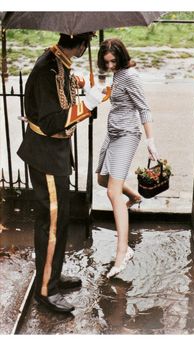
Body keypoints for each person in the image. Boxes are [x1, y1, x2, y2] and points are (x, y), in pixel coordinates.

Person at [17, 32, 104, 313]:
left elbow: (61, 97)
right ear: (81, 44)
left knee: (60, 220)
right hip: (47, 156)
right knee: (52, 225)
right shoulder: (48, 68)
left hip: (55, 155)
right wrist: (87, 105)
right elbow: (54, 121)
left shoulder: (59, 61)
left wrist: (80, 86)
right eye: (86, 44)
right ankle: (46, 290)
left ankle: (52, 274)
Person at [96, 38, 158, 278]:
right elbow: (120, 95)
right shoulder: (119, 74)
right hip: (112, 133)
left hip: (127, 135)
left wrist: (150, 141)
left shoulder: (130, 75)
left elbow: (144, 108)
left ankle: (123, 252)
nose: (110, 65)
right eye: (106, 62)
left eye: (113, 61)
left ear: (121, 57)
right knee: (103, 180)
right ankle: (134, 195)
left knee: (112, 191)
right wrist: (106, 91)